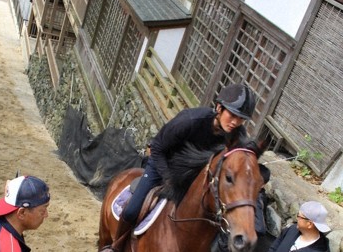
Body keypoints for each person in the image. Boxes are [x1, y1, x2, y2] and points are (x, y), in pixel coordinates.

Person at [101, 83, 257, 252]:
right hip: (163, 165)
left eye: (241, 118)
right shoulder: (190, 120)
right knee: (132, 210)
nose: (235, 122)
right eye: (232, 115)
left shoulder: (237, 134)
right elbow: (158, 147)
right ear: (219, 107)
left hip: (195, 176)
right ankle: (116, 246)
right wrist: (168, 178)